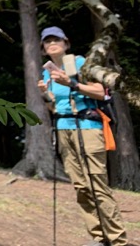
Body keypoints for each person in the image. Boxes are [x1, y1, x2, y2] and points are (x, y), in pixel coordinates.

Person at [37, 26, 128, 246]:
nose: (52, 44)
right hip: (63, 128)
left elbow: (100, 91)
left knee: (97, 183)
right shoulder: (47, 72)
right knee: (80, 186)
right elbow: (55, 107)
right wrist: (44, 95)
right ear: (43, 49)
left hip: (88, 126)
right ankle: (98, 237)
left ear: (66, 43)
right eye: (47, 41)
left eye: (56, 39)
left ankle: (117, 240)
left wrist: (73, 83)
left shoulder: (79, 63)